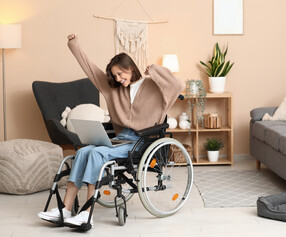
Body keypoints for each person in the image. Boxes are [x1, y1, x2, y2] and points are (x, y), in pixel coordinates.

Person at [37, 34, 185, 227]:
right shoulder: (113, 89)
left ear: (131, 68)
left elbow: (178, 85)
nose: (118, 78)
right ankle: (64, 209)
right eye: (114, 75)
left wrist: (155, 70)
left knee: (97, 153)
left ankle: (87, 213)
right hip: (121, 139)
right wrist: (74, 44)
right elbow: (90, 68)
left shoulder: (154, 86)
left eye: (120, 74)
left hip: (143, 141)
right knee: (83, 152)